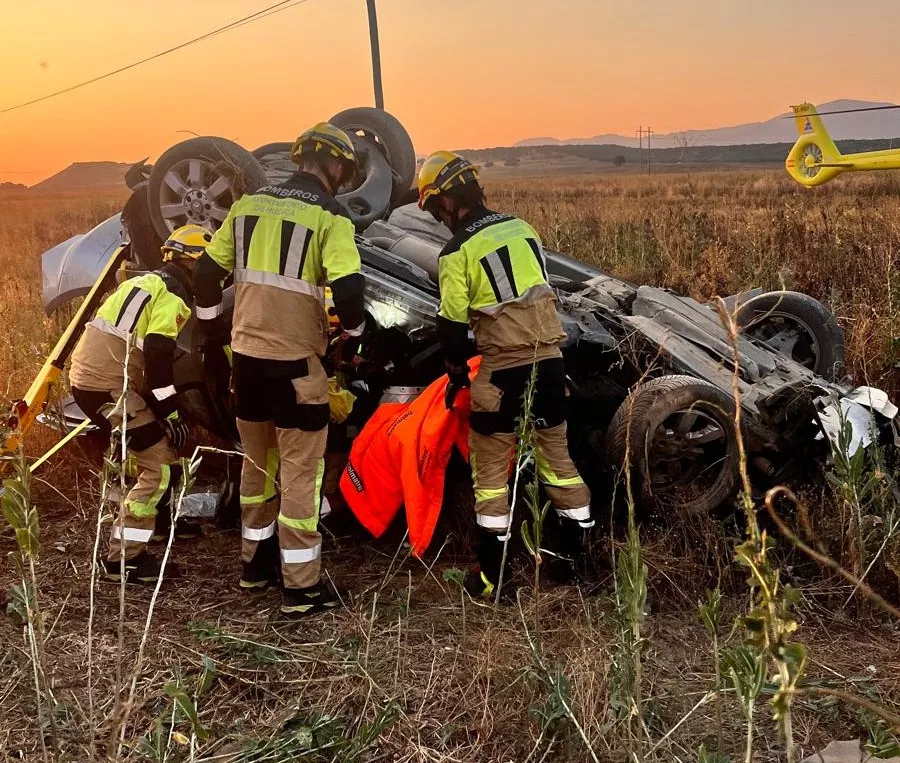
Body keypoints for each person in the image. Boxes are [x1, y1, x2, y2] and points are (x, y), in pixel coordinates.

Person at [194, 122, 366, 618]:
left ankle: (254, 567)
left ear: (299, 158)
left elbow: (206, 274)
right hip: (296, 369)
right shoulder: (330, 217)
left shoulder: (248, 207)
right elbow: (350, 293)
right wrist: (352, 337)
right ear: (335, 165)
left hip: (246, 367)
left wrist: (211, 335)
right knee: (302, 476)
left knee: (257, 466)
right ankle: (301, 587)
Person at [417, 151, 594, 597]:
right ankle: (572, 562)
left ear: (446, 202)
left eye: (435, 208)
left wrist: (457, 373)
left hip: (501, 374)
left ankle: (494, 580)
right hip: (551, 363)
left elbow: (453, 328)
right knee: (560, 463)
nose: (438, 218)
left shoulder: (456, 251)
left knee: (492, 473)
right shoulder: (522, 229)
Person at [70, 224, 209, 583]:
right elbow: (159, 354)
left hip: (95, 381)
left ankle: (160, 523)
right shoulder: (174, 296)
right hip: (108, 388)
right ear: (192, 263)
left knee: (157, 448)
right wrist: (171, 410)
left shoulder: (142, 281)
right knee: (158, 465)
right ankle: (123, 560)